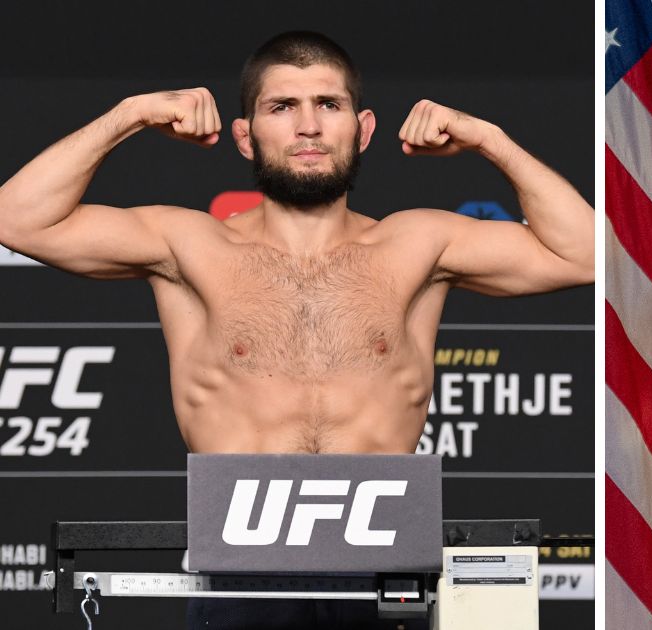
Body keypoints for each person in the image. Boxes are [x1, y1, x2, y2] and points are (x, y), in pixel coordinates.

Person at [0, 31, 593, 628]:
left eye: (327, 105)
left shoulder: (418, 243)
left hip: (386, 576)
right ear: (244, 135)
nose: (307, 127)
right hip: (237, 577)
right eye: (281, 107)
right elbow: (16, 218)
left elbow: (588, 255)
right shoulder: (189, 244)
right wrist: (130, 115)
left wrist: (488, 139)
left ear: (362, 130)